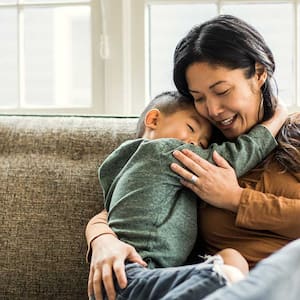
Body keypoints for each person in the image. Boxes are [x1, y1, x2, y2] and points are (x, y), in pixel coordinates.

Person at [86, 14, 299, 300]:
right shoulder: (196, 151)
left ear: (259, 73)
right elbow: (128, 201)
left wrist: (234, 199)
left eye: (221, 91)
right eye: (199, 98)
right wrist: (102, 240)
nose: (212, 110)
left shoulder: (294, 133)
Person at [87, 89, 285, 300]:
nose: (194, 143)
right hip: (133, 274)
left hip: (134, 277)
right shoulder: (164, 151)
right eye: (191, 128)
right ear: (153, 119)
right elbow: (233, 157)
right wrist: (277, 118)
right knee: (227, 274)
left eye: (202, 144)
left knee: (230, 259)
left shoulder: (121, 168)